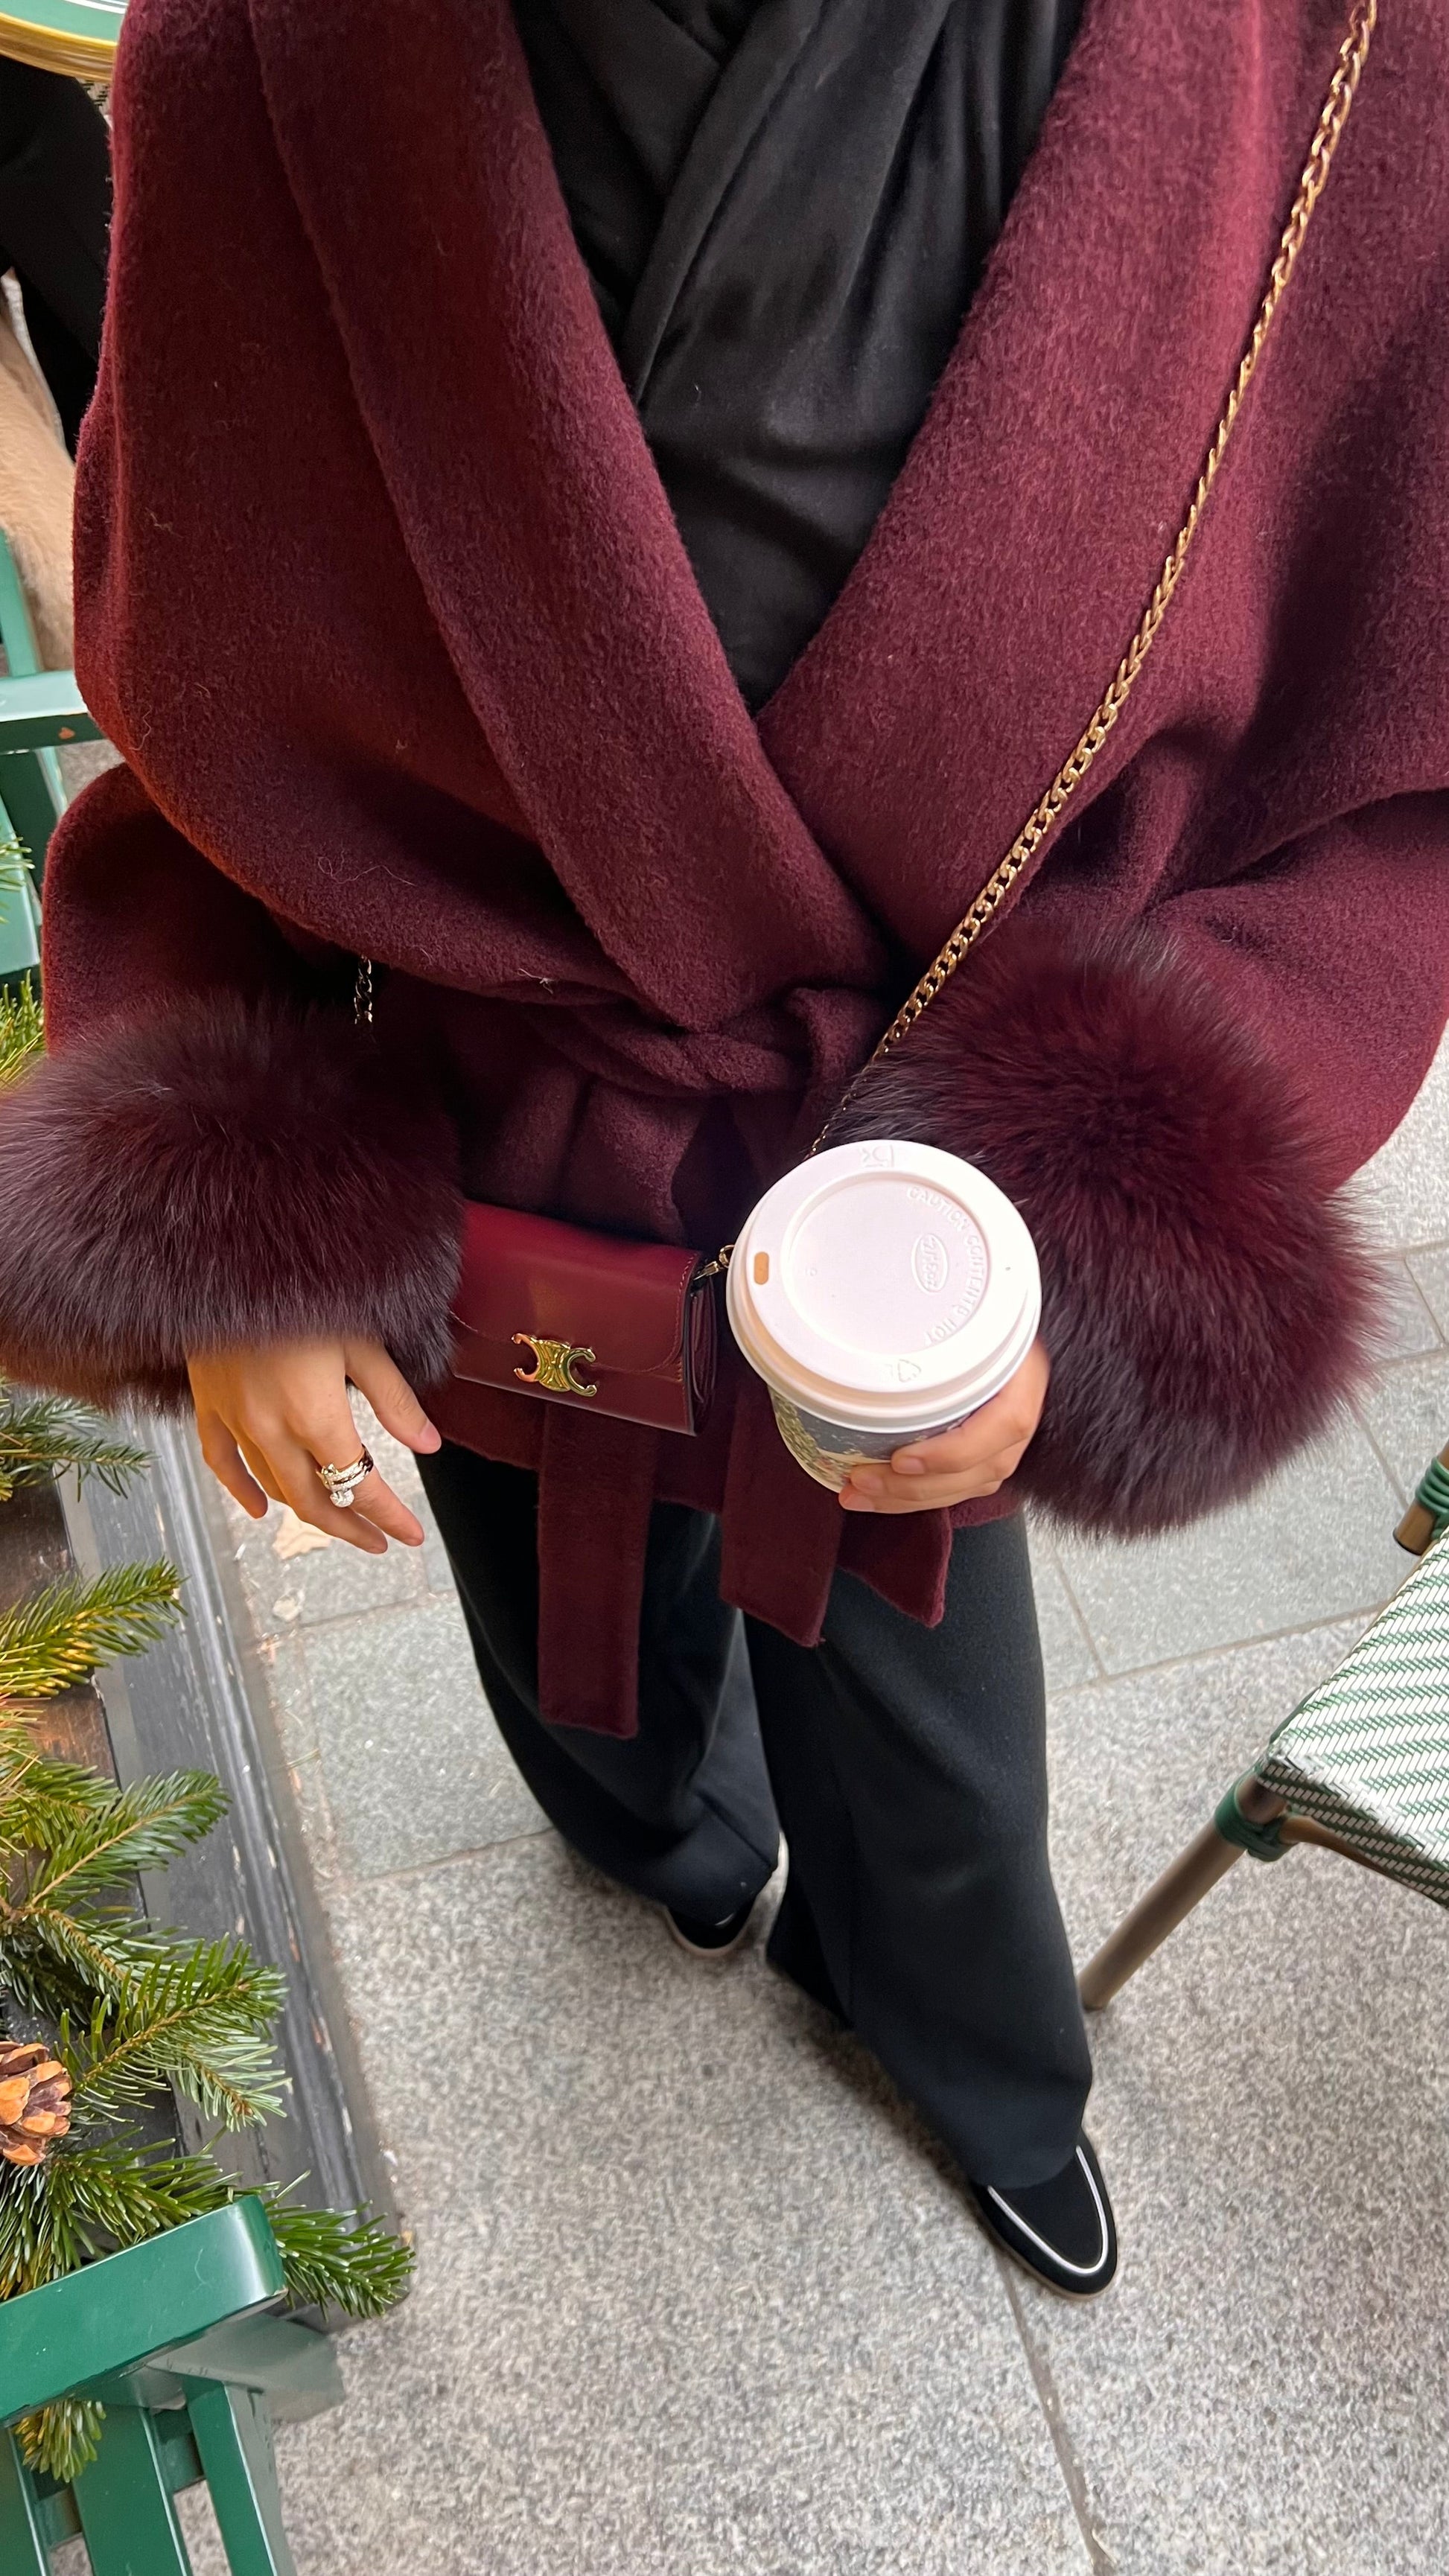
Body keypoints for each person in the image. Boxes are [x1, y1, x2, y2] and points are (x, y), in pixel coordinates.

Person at [0, 0, 1445, 2301]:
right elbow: (212, 703)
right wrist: (235, 1195)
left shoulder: (1356, 50)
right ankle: (655, 1828)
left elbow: (1382, 749)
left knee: (928, 1693)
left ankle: (955, 2038)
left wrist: (1105, 1216)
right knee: (542, 1586)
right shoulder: (266, 45)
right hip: (499, 1136)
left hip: (930, 1202)